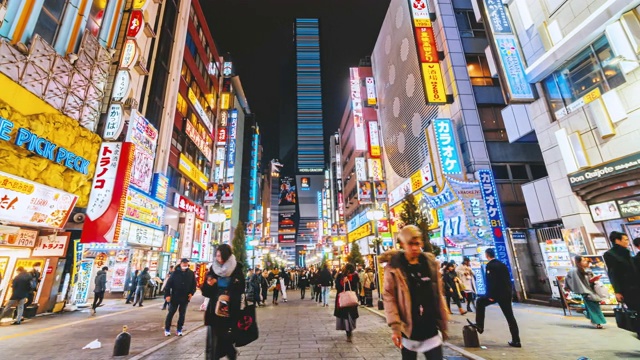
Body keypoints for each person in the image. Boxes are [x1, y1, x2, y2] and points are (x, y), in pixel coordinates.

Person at [381, 225, 449, 360]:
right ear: (402, 244)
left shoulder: (430, 264)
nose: (414, 248)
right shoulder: (395, 267)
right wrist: (395, 327)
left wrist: (443, 319)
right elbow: (389, 297)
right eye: (410, 244)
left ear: (421, 243)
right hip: (408, 328)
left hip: (430, 327)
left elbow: (438, 294)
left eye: (417, 243)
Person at [467, 248, 521, 348]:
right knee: (510, 317)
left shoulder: (490, 265)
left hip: (496, 294)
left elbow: (491, 282)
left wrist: (490, 295)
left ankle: (480, 325)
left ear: (487, 255)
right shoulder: (502, 264)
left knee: (480, 302)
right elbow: (507, 280)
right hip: (506, 294)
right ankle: (516, 340)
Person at [201, 244, 244, 360]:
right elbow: (205, 292)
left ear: (226, 256)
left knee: (226, 336)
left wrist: (227, 287)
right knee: (215, 338)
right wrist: (210, 284)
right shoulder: (213, 269)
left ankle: (230, 353)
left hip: (230, 308)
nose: (217, 258)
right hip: (214, 310)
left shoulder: (236, 268)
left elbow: (241, 288)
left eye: (219, 255)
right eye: (216, 255)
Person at [565, 256, 606, 329]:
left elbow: (567, 280)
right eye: (583, 260)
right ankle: (598, 322)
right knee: (595, 308)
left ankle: (588, 314)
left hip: (589, 291)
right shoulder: (575, 271)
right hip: (588, 292)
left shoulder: (586, 270)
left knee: (592, 306)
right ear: (578, 262)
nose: (585, 262)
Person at [604, 231, 640, 311]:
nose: (628, 242)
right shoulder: (610, 254)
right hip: (627, 289)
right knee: (635, 310)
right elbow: (613, 273)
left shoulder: (626, 252)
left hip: (636, 286)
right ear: (617, 240)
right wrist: (617, 291)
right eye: (626, 240)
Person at [164, 258, 196, 336]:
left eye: (186, 264)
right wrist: (167, 295)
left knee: (182, 314)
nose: (185, 265)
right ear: (181, 264)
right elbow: (168, 285)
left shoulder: (191, 273)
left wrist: (191, 293)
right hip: (175, 297)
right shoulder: (175, 273)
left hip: (185, 298)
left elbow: (193, 285)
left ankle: (179, 329)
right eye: (184, 263)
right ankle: (167, 329)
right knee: (171, 313)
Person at [334, 263, 360, 342]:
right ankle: (349, 332)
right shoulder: (354, 276)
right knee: (349, 316)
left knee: (346, 316)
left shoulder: (341, 276)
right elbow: (356, 287)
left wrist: (343, 282)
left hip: (343, 299)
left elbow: (338, 287)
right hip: (351, 299)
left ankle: (348, 332)